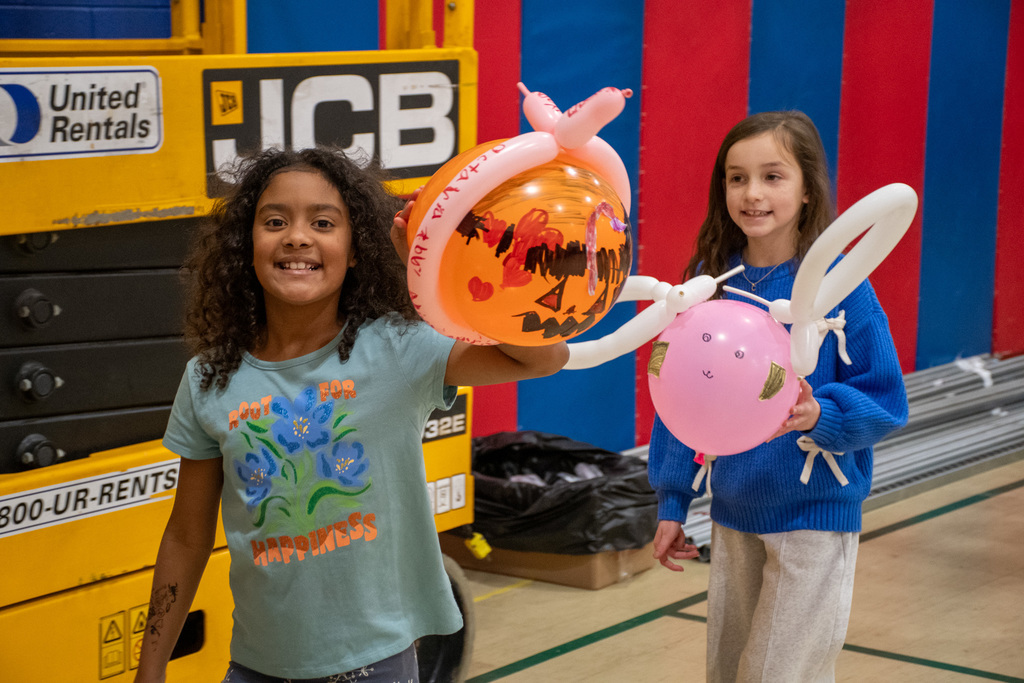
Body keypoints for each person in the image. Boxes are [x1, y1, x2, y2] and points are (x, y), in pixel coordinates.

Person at [134, 147, 568, 683]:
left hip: (374, 667)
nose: (297, 237)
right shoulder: (208, 378)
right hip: (254, 667)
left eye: (323, 223)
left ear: (356, 249)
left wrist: (431, 273)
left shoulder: (400, 348)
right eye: (275, 222)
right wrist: (149, 670)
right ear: (246, 245)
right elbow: (185, 537)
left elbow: (544, 357)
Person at [647, 111, 909, 682]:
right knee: (727, 671)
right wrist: (672, 501)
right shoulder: (709, 282)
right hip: (734, 512)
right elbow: (680, 399)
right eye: (737, 178)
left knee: (778, 675)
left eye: (772, 176)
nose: (752, 193)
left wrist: (821, 415)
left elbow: (887, 400)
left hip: (814, 517)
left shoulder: (842, 288)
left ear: (808, 190)